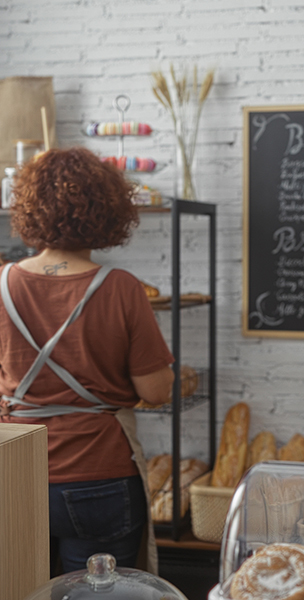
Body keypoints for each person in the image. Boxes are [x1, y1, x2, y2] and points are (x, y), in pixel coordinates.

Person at [0, 147, 174, 576]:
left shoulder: (2, 284)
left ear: (28, 210)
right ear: (108, 209)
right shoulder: (121, 288)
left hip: (15, 471)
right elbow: (156, 391)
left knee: (19, 586)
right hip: (100, 475)